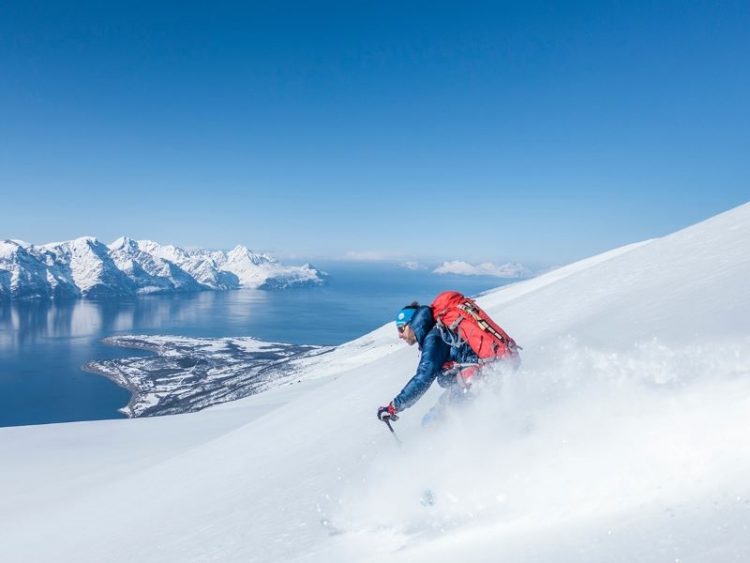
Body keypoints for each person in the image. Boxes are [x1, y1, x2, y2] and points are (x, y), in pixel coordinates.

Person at [377, 301, 486, 427]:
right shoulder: (438, 333)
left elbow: (423, 377)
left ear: (412, 324)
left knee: (434, 423)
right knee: (432, 418)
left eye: (401, 328)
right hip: (472, 378)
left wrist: (393, 407)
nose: (400, 335)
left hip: (473, 379)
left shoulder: (433, 339)